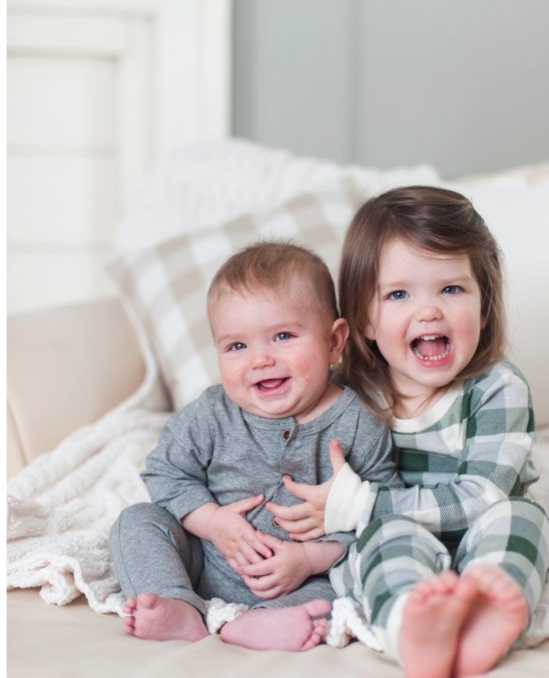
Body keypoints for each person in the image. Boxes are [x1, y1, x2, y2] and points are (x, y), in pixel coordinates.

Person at [268, 186, 549, 678]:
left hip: (482, 522)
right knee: (382, 543)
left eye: (451, 289)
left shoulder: (496, 388)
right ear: (365, 320)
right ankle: (412, 628)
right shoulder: (349, 395)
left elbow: (484, 496)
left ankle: (489, 611)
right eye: (399, 294)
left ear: (485, 307)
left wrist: (362, 506)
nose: (429, 312)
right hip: (401, 531)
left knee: (523, 518)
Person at [109, 240, 401, 652]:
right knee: (136, 522)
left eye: (282, 336)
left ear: (334, 342)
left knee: (357, 581)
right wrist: (212, 523)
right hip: (209, 558)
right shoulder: (212, 414)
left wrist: (312, 559)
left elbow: (383, 512)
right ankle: (178, 605)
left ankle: (264, 624)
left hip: (304, 576)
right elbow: (165, 471)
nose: (260, 359)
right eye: (237, 346)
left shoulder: (359, 422)